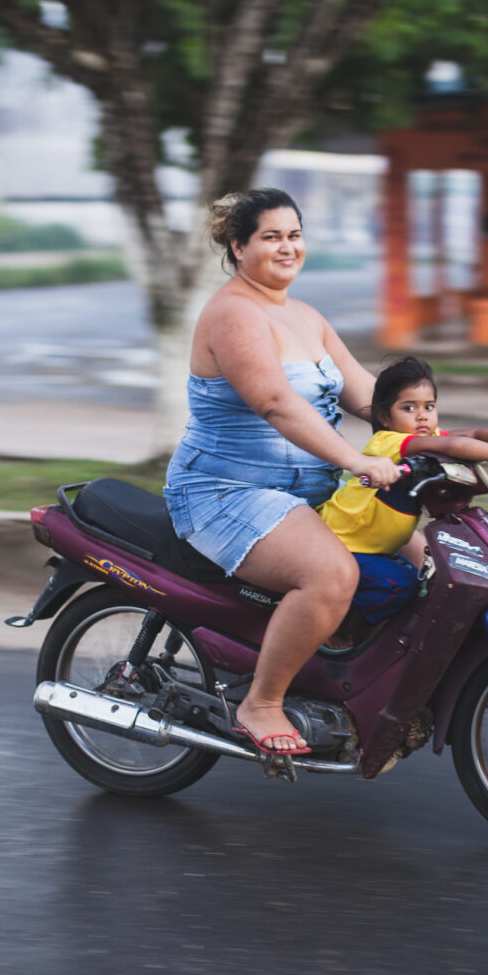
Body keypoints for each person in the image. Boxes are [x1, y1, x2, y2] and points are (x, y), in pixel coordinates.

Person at [163, 188, 400, 755]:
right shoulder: (232, 314)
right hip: (228, 491)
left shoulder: (305, 317)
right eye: (271, 236)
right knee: (332, 575)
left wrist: (442, 441)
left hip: (309, 492)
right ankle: (261, 703)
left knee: (422, 561)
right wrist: (356, 460)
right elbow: (275, 402)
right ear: (239, 246)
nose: (287, 247)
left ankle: (352, 685)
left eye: (294, 235)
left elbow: (369, 395)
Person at [318, 356, 488, 647]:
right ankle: (339, 633)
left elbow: (473, 434)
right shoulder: (391, 442)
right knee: (399, 586)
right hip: (342, 543)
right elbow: (454, 445)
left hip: (373, 546)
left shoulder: (425, 437)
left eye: (428, 407)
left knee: (419, 583)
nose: (422, 416)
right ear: (384, 416)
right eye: (409, 408)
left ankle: (362, 637)